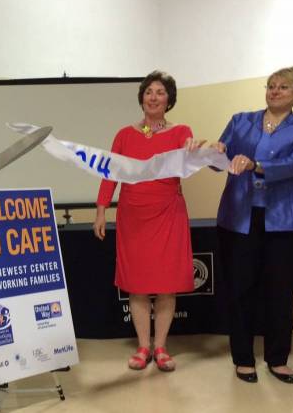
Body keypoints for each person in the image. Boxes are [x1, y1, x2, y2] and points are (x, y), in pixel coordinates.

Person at [214, 66, 293, 384]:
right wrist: (212, 152)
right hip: (240, 217)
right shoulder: (240, 120)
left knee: (281, 290)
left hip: (286, 220)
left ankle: (277, 358)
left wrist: (257, 165)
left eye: (283, 87)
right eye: (270, 85)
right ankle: (243, 358)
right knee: (240, 288)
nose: (274, 91)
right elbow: (221, 159)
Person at [93, 71, 194, 372]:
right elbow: (110, 173)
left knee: (165, 285)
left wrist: (198, 149)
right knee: (136, 285)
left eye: (160, 92)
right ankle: (142, 346)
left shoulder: (181, 132)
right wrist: (101, 210)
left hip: (168, 214)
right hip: (133, 216)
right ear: (141, 98)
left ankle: (161, 347)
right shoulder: (124, 134)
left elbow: (191, 157)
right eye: (148, 91)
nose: (153, 97)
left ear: (169, 100)